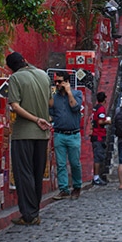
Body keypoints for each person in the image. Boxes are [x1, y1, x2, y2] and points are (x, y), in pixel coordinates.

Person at [7, 51, 52, 225]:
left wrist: (35, 119)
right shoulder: (43, 75)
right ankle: (34, 211)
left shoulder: (15, 79)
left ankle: (29, 214)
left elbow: (15, 106)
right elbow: (50, 102)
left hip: (24, 132)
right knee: (37, 173)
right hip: (42, 135)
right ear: (25, 60)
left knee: (23, 173)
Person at [49, 70, 83, 200]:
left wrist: (69, 92)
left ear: (67, 82)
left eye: (60, 81)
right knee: (61, 163)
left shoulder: (76, 94)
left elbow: (75, 107)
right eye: (56, 81)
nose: (57, 84)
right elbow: (51, 114)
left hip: (73, 135)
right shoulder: (54, 98)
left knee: (75, 163)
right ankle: (63, 189)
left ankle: (77, 186)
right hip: (59, 134)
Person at [91, 92, 110, 186]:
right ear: (105, 99)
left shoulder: (95, 108)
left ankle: (97, 176)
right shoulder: (101, 109)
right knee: (98, 157)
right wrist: (108, 121)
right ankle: (96, 177)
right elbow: (100, 121)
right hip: (98, 135)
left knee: (98, 156)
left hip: (95, 135)